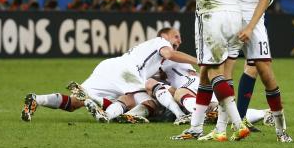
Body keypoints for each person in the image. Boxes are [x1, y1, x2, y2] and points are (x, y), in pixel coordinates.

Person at [172, 0, 278, 141]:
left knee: (213, 72)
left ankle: (238, 124)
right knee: (205, 73)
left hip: (211, 15)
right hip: (234, 16)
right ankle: (196, 128)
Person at [196, 0, 291, 142]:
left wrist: (250, 26)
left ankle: (281, 130)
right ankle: (220, 129)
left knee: (265, 72)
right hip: (228, 16)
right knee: (223, 73)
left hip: (252, 20)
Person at [21, 28, 192, 123]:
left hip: (109, 66)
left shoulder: (153, 58)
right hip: (127, 71)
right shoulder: (160, 42)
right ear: (164, 36)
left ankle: (37, 99)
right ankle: (102, 110)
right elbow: (169, 54)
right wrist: (199, 61)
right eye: (176, 36)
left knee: (74, 103)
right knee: (141, 100)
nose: (179, 40)